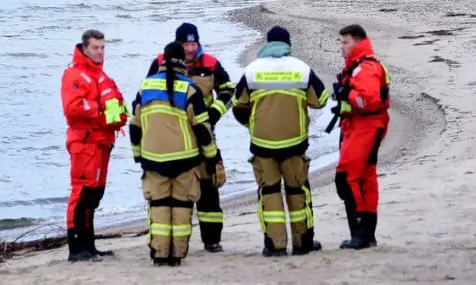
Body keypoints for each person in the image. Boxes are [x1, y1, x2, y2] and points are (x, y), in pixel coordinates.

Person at [230, 25, 329, 257]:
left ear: (267, 43)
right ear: (288, 45)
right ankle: (303, 243)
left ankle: (275, 246)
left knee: (269, 194)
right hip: (295, 143)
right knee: (297, 192)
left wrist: (252, 125)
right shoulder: (302, 69)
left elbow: (237, 105)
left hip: (262, 144)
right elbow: (322, 100)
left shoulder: (252, 70)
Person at [129, 40, 223, 267]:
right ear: (182, 61)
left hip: (153, 159)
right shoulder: (190, 89)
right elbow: (203, 130)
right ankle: (177, 254)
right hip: (185, 159)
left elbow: (134, 126)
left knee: (159, 207)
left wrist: (139, 155)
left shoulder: (145, 86)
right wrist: (211, 157)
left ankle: (160, 254)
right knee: (181, 207)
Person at [145, 22, 234, 251]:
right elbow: (147, 95)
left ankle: (212, 240)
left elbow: (227, 91)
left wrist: (213, 113)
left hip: (204, 132)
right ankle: (169, 241)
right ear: (177, 44)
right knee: (172, 192)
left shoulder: (211, 64)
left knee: (209, 188)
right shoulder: (159, 63)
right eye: (186, 44)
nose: (190, 49)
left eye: (193, 44)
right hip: (174, 136)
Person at [59, 28, 128, 263]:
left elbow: (118, 108)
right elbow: (73, 108)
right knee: (82, 192)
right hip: (84, 142)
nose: (100, 52)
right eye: (95, 48)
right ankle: (76, 249)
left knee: (94, 195)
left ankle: (89, 246)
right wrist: (100, 112)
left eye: (102, 48)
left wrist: (116, 116)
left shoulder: (103, 77)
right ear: (84, 48)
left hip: (102, 143)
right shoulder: (74, 75)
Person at [332, 23, 391, 250]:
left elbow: (369, 100)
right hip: (360, 126)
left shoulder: (364, 68)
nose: (342, 47)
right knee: (365, 179)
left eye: (345, 42)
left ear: (358, 42)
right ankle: (366, 234)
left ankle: (360, 234)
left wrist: (346, 92)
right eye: (341, 42)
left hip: (365, 126)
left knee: (347, 178)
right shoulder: (360, 66)